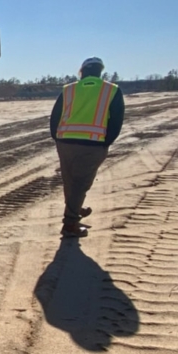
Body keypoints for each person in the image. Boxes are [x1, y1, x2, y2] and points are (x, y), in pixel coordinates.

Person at [49, 57, 125, 237]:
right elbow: (116, 120)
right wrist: (106, 142)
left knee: (70, 181)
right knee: (81, 183)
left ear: (82, 71)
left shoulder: (69, 90)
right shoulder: (111, 90)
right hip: (93, 143)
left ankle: (75, 208)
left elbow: (55, 116)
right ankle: (70, 224)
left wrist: (57, 137)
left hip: (65, 141)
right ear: (100, 71)